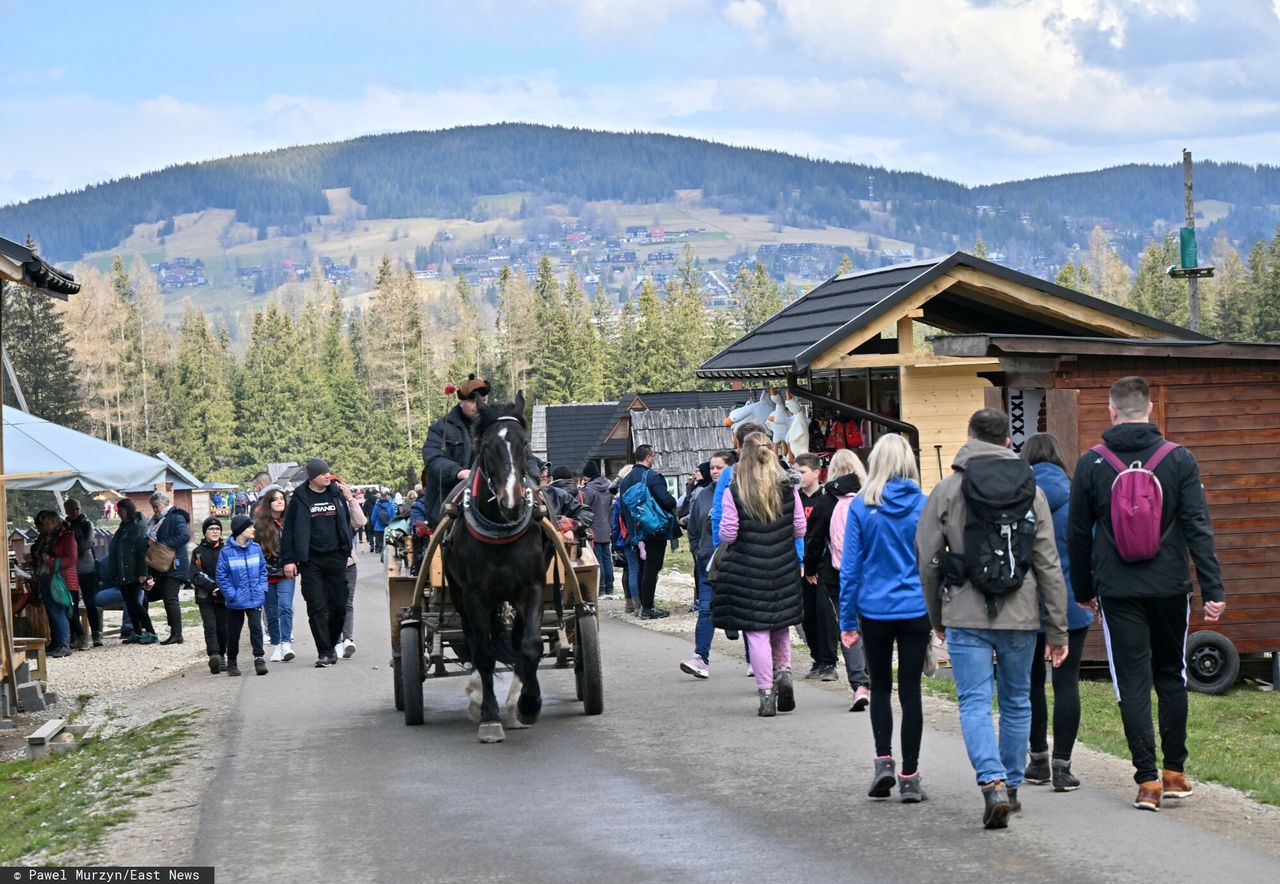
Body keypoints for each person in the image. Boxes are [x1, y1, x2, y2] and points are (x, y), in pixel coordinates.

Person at [1067, 376, 1225, 812]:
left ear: (1111, 411)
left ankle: (1147, 782)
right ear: (1150, 409)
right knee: (1171, 675)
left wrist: (1083, 590)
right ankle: (1175, 772)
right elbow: (1198, 526)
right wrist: (1212, 587)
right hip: (1172, 585)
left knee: (1131, 681)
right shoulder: (1178, 459)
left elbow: (1078, 536)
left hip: (1117, 589)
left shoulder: (1091, 463)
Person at [916, 407, 1069, 829]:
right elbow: (1048, 564)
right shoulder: (1032, 491)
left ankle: (992, 783)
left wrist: (937, 616)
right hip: (1021, 615)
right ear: (1007, 441)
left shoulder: (948, 489)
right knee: (1018, 701)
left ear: (968, 437)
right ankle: (1013, 786)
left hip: (965, 611)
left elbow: (928, 560)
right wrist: (1056, 628)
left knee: (975, 703)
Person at [839, 435, 930, 802]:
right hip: (916, 610)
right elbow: (933, 562)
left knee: (879, 687)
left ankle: (883, 762)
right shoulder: (924, 505)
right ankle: (910, 776)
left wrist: (846, 620)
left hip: (874, 611)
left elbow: (850, 570)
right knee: (911, 692)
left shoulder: (861, 507)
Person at [711, 431, 806, 716]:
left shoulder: (735, 490)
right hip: (783, 567)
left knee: (756, 632)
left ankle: (766, 693)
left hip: (748, 571)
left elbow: (728, 533)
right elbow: (800, 528)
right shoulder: (788, 488)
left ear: (743, 454)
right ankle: (784, 672)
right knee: (781, 626)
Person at [1021, 433, 1094, 793]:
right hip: (1070, 604)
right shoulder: (1075, 493)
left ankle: (1037, 760)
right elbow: (1090, 547)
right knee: (1066, 683)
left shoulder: (1019, 496)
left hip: (1026, 605)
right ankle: (1063, 767)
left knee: (1031, 682)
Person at [804, 449, 872, 709]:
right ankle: (875, 679)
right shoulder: (870, 497)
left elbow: (814, 541)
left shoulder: (826, 501)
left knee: (849, 628)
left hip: (838, 575)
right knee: (871, 626)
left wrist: (810, 569)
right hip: (871, 574)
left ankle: (860, 685)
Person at [281, 458, 355, 668]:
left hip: (336, 558)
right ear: (313, 477)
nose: (327, 476)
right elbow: (289, 532)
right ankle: (324, 651)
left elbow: (345, 522)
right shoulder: (300, 498)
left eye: (328, 472)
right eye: (323, 473)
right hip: (311, 560)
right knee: (316, 606)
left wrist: (346, 546)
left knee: (339, 606)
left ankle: (331, 645)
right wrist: (288, 560)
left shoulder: (336, 493)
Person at [680, 455, 728, 679]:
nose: (715, 471)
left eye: (720, 467)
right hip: (707, 561)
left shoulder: (739, 493)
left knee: (741, 609)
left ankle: (752, 660)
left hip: (735, 562)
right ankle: (700, 658)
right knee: (706, 609)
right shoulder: (702, 495)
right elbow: (693, 527)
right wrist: (697, 550)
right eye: (712, 468)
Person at [616, 445, 678, 619]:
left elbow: (623, 508)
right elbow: (666, 500)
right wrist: (673, 501)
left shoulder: (626, 480)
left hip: (634, 531)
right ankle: (648, 608)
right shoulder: (651, 477)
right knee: (652, 568)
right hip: (653, 530)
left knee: (642, 568)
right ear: (649, 457)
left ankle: (643, 605)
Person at [422, 374, 492, 528]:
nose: (479, 405)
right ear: (461, 402)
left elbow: (520, 454)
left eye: (483, 401)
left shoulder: (496, 426)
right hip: (452, 499)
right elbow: (434, 460)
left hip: (492, 497)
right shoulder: (440, 429)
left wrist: (538, 471)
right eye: (473, 401)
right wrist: (458, 472)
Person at [216, 515, 269, 677]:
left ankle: (259, 659)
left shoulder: (256, 548)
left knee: (256, 629)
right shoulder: (226, 552)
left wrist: (262, 588)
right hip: (235, 601)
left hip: (255, 598)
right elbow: (221, 576)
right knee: (234, 632)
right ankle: (232, 662)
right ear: (240, 531)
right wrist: (231, 594)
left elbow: (262, 570)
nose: (253, 529)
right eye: (249, 527)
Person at [253, 487, 296, 663]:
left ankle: (286, 643)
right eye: (275, 499)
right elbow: (255, 550)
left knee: (285, 606)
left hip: (286, 572)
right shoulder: (260, 525)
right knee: (271, 612)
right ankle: (276, 645)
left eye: (282, 498)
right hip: (266, 574)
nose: (280, 501)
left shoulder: (290, 522)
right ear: (268, 503)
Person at [146, 491, 191, 645]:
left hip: (175, 564)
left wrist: (164, 545)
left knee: (171, 598)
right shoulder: (158, 519)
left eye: (156, 506)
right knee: (167, 597)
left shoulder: (175, 517)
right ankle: (174, 631)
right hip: (164, 564)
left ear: (164, 504)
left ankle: (177, 634)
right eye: (153, 507)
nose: (155, 510)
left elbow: (185, 536)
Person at [110, 499, 157, 644]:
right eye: (118, 510)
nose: (118, 513)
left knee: (135, 603)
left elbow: (142, 551)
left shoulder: (138, 526)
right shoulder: (123, 526)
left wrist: (143, 573)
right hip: (123, 571)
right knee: (129, 603)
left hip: (134, 572)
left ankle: (150, 631)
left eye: (121, 510)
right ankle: (137, 632)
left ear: (128, 510)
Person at [33, 510, 78, 658]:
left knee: (58, 611)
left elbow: (71, 559)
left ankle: (64, 644)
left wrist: (50, 561)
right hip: (46, 577)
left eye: (47, 524)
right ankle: (57, 643)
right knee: (52, 612)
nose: (44, 527)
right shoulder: (45, 538)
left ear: (55, 522)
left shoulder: (67, 536)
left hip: (60, 578)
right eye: (43, 524)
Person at [191, 516, 229, 674]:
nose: (215, 532)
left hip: (224, 596)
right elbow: (195, 574)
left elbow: (230, 571)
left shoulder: (226, 550)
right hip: (205, 596)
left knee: (223, 627)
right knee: (210, 626)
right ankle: (214, 655)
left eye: (217, 529)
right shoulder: (198, 552)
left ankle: (222, 655)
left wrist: (222, 589)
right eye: (211, 529)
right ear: (205, 532)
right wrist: (212, 587)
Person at [336, 474, 368, 659]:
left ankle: (347, 639)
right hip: (329, 565)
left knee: (347, 603)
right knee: (332, 604)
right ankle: (336, 639)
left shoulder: (345, 508)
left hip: (349, 563)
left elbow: (361, 522)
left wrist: (350, 498)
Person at [64, 498, 102, 648]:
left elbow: (87, 544)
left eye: (76, 509)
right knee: (71, 603)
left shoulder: (87, 524)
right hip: (71, 569)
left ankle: (96, 633)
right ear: (66, 511)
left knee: (90, 602)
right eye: (71, 509)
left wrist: (72, 543)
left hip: (87, 567)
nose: (74, 512)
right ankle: (76, 634)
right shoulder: (64, 525)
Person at [370, 491, 396, 555]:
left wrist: (375, 524)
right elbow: (394, 517)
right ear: (387, 496)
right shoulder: (390, 505)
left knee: (380, 543)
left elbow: (373, 518)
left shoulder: (377, 506)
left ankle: (382, 553)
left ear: (380, 496)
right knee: (388, 542)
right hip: (388, 527)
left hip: (378, 528)